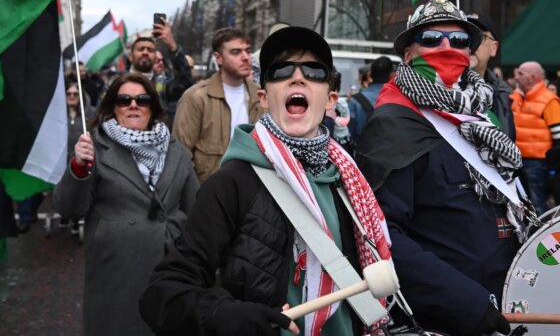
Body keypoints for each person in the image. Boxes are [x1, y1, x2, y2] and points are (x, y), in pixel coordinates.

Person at [140, 26, 392, 336]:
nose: (297, 77)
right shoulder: (232, 183)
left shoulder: (350, 182)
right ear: (264, 98)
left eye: (314, 71)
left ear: (330, 99)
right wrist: (225, 313)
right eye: (281, 70)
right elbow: (162, 294)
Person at [356, 0, 519, 336]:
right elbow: (382, 237)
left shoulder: (483, 117)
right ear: (408, 54)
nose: (447, 46)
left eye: (459, 40)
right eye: (431, 39)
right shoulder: (395, 122)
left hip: (511, 297)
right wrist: (468, 304)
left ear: (469, 54)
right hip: (447, 318)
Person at [54, 73, 198, 336]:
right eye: (124, 100)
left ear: (153, 107)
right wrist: (78, 168)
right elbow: (69, 209)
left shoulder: (175, 149)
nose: (134, 105)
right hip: (116, 269)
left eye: (142, 100)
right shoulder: (94, 147)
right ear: (113, 107)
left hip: (171, 267)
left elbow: (194, 207)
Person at [173, 28, 264, 183]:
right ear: (218, 58)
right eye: (236, 52)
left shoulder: (261, 96)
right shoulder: (196, 97)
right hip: (208, 194)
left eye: (247, 51)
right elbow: (181, 155)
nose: (245, 57)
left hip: (251, 193)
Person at [510, 61, 560, 214]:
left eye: (520, 73)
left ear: (532, 77)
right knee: (517, 202)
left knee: (537, 204)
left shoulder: (549, 100)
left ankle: (540, 235)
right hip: (514, 159)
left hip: (537, 162)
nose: (516, 76)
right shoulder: (514, 96)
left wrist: (554, 169)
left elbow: (559, 139)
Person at [467, 13, 515, 141]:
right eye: (465, 36)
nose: (472, 43)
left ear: (494, 48)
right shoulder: (439, 89)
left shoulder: (506, 95)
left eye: (480, 37)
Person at [347, 56, 393, 143]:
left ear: (370, 74)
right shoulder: (400, 100)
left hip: (363, 151)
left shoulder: (355, 101)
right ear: (391, 76)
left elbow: (350, 133)